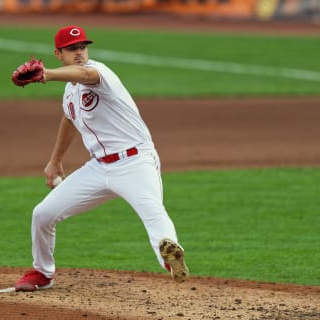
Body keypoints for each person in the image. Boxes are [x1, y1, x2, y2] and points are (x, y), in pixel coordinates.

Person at [14, 25, 189, 292]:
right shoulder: (70, 90)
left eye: (82, 47)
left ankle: (170, 255)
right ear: (58, 53)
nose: (79, 52)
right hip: (98, 168)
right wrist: (55, 160)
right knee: (43, 214)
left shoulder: (99, 72)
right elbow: (69, 119)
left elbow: (85, 73)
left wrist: (46, 74)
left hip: (135, 162)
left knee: (153, 212)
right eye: (72, 49)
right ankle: (42, 273)